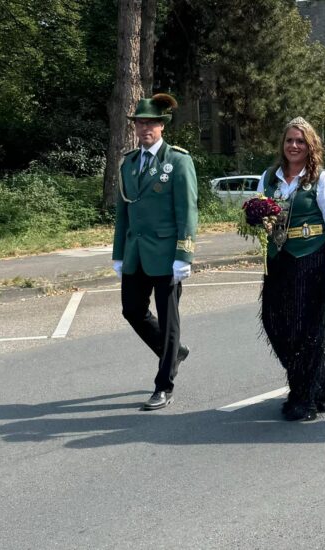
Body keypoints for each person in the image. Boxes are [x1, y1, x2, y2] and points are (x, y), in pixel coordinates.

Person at [257, 117, 325, 421]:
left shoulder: (320, 179)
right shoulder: (269, 177)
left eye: (300, 141)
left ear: (310, 145)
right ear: (282, 145)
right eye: (289, 140)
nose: (294, 146)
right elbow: (259, 212)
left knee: (306, 329)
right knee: (274, 323)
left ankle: (303, 398)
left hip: (312, 257)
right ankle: (319, 378)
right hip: (278, 259)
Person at [112, 93, 198, 411]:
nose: (145, 128)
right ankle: (173, 351)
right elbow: (123, 213)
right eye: (140, 122)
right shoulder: (128, 164)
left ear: (162, 126)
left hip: (166, 253)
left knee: (169, 319)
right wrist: (118, 253)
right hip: (135, 252)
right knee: (132, 309)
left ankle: (164, 385)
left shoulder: (178, 160)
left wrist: (184, 255)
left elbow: (188, 211)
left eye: (151, 122)